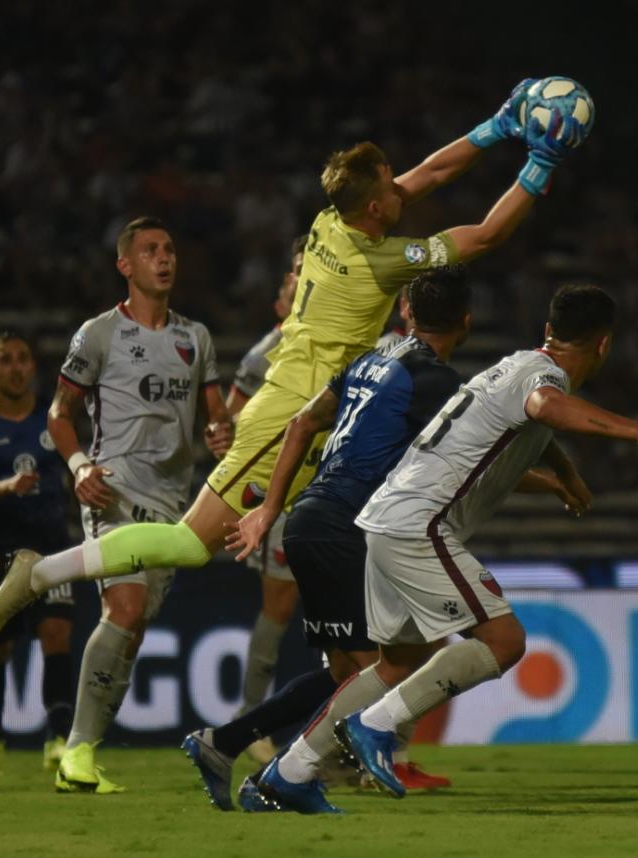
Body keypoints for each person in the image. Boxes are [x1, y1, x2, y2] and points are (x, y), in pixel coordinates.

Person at [0, 84, 588, 672]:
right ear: (376, 207)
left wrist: (498, 126)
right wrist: (539, 162)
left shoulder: (331, 218)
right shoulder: (379, 261)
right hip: (293, 412)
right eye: (388, 184)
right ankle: (39, 573)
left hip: (325, 405)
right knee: (190, 543)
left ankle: (351, 720)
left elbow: (428, 175)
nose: (401, 184)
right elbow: (485, 235)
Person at [254, 284, 638, 813]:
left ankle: (286, 773)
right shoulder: (545, 380)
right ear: (603, 346)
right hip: (418, 523)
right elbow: (546, 406)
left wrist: (561, 470)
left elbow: (527, 419)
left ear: (547, 332)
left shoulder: (513, 365)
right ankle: (375, 725)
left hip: (381, 519)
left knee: (397, 664)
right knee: (504, 641)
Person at [193, 265, 500, 811]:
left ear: (406, 310)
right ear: (467, 322)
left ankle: (226, 744)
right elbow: (472, 457)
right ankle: (286, 776)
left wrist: (270, 507)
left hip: (309, 519)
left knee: (348, 670)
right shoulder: (437, 383)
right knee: (384, 668)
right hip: (346, 527)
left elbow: (299, 425)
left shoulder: (369, 363)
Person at [0, 216, 230, 794]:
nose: (163, 258)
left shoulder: (195, 337)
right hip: (113, 488)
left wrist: (222, 432)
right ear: (125, 265)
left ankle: (86, 749)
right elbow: (58, 413)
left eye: (169, 248)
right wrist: (78, 468)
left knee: (133, 631)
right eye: (150, 250)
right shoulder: (98, 334)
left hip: (175, 503)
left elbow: (215, 416)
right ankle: (75, 750)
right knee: (123, 610)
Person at [0, 332, 77, 776]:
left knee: (56, 635)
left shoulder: (54, 418)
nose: (14, 367)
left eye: (22, 359)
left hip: (50, 544)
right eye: (3, 360)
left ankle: (58, 737)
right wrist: (6, 488)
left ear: (32, 367)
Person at [225, 235, 304, 766]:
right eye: (295, 272)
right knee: (279, 607)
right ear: (282, 299)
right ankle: (250, 718)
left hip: (340, 491)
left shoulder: (349, 338)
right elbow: (231, 415)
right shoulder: (265, 354)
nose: (304, 281)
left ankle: (350, 734)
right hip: (286, 497)